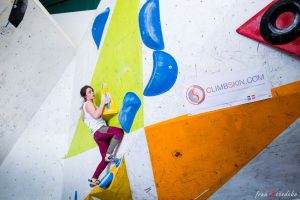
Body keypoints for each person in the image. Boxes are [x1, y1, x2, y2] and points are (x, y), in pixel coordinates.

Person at [80, 85, 124, 187]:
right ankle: (109, 154)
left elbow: (96, 115)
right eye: (89, 92)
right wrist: (103, 103)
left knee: (104, 159)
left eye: (92, 91)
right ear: (85, 96)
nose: (92, 93)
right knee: (119, 132)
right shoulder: (88, 104)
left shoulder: (87, 106)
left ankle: (94, 179)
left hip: (96, 136)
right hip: (100, 130)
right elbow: (96, 115)